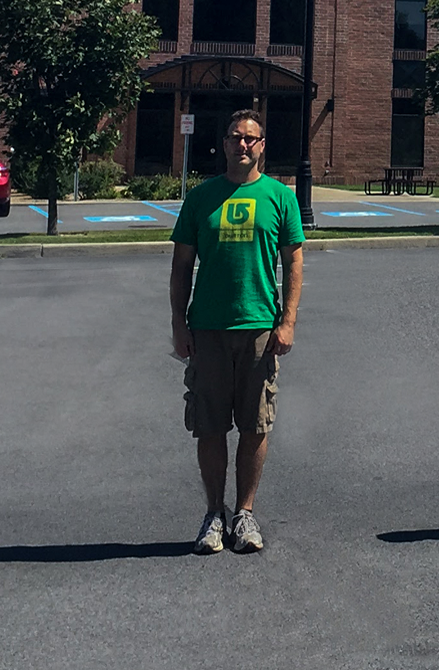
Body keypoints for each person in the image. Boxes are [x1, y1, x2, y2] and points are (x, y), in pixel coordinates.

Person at [170, 109, 304, 555]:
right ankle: (214, 514)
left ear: (262, 145)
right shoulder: (201, 198)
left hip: (259, 329)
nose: (242, 145)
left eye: (250, 138)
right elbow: (182, 265)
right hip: (207, 327)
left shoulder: (279, 197)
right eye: (234, 137)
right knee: (209, 426)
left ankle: (244, 514)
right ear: (223, 144)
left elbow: (294, 261)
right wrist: (178, 324)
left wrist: (287, 320)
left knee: (255, 424)